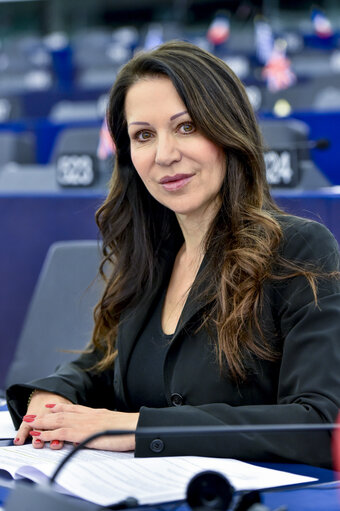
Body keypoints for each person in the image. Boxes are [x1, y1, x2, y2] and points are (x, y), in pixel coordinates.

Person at [6, 41, 340, 468]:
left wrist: (133, 429)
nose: (164, 155)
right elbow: (104, 366)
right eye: (143, 135)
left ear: (227, 130)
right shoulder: (153, 258)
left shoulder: (299, 249)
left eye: (186, 127)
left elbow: (318, 423)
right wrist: (52, 398)